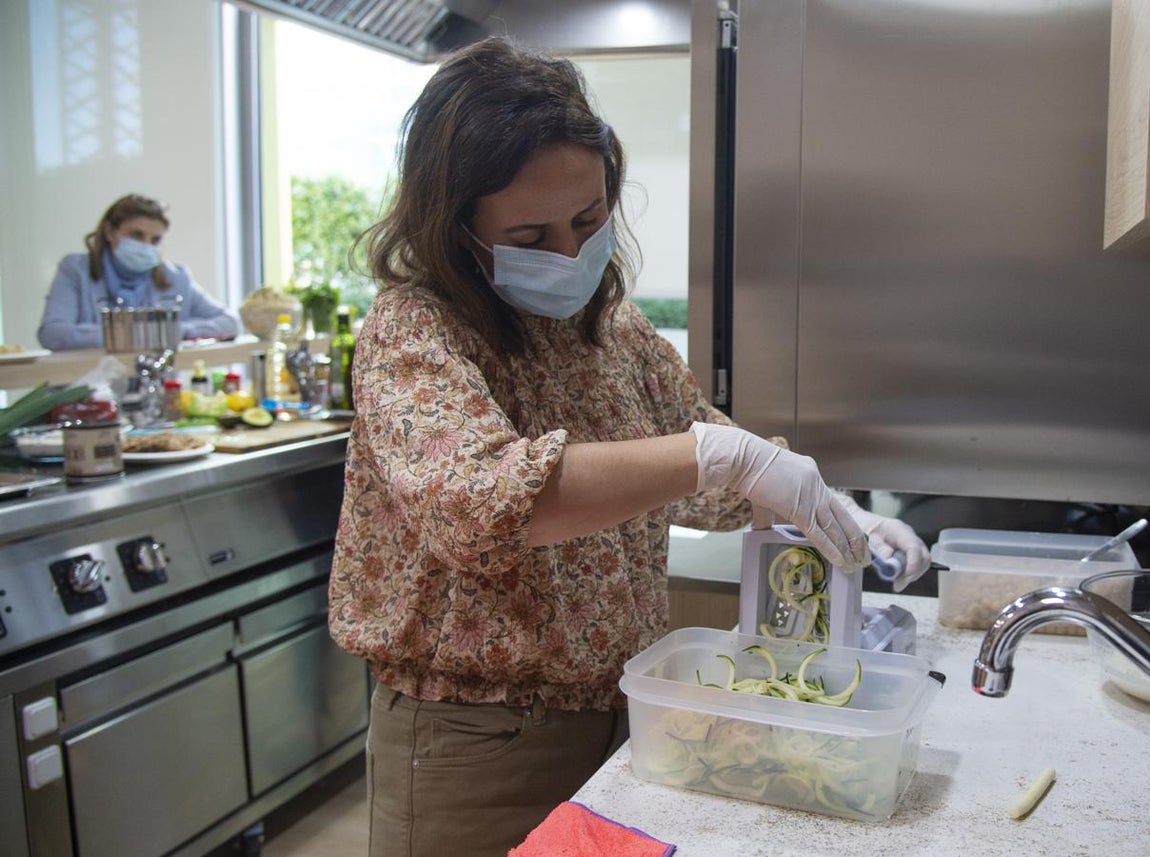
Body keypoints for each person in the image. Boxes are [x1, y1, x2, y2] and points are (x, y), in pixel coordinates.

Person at [328, 37, 931, 857]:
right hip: (477, 741)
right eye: (532, 234)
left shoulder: (613, 332)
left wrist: (815, 502)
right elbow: (479, 501)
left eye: (588, 220)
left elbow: (707, 466)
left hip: (626, 715)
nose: (570, 255)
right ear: (456, 228)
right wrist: (720, 458)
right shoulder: (416, 331)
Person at [37, 193, 240, 350]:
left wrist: (169, 332)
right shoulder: (75, 270)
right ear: (109, 231)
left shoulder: (175, 278)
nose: (146, 246)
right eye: (136, 235)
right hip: (88, 396)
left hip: (153, 395)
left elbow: (229, 323)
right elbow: (53, 333)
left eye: (155, 240)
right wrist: (132, 335)